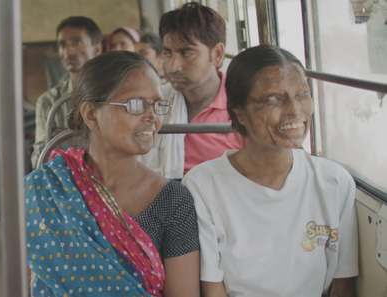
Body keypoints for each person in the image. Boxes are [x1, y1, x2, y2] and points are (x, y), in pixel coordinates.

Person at [182, 45, 359, 297]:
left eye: (301, 94)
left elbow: (342, 285)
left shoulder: (334, 182)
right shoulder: (203, 186)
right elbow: (213, 288)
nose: (294, 110)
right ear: (239, 113)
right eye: (273, 98)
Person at [25, 51, 201, 297]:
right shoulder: (47, 189)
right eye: (136, 104)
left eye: (157, 104)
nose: (152, 117)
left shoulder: (173, 200)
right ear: (90, 114)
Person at [138, 2, 245, 179]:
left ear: (217, 54)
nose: (173, 66)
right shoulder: (154, 103)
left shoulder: (242, 108)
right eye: (167, 54)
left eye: (187, 53)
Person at [31, 16, 103, 169]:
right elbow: (39, 157)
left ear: (96, 49)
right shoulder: (48, 101)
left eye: (77, 42)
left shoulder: (111, 95)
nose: (68, 51)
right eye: (62, 45)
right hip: (62, 184)